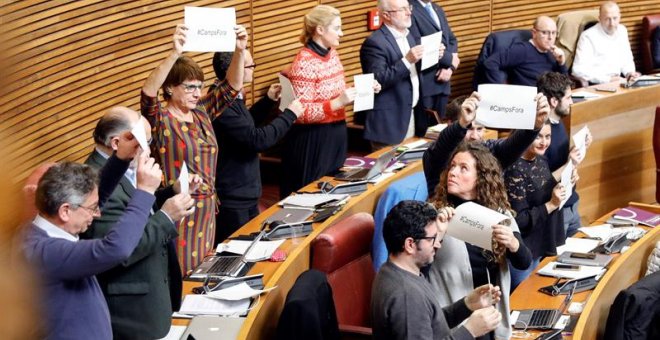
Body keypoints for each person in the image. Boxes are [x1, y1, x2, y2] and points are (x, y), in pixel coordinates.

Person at [22, 136, 161, 340]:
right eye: (93, 209)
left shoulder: (44, 228)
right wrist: (145, 192)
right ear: (65, 211)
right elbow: (115, 249)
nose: (98, 214)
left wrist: (121, 157)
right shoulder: (44, 252)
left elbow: (97, 195)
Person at [81, 107, 197, 339]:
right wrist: (165, 217)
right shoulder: (95, 182)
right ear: (116, 143)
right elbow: (117, 251)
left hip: (151, 294)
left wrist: (169, 193)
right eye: (145, 141)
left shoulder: (125, 168)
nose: (149, 148)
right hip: (131, 311)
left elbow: (136, 211)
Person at [141, 24, 247, 273]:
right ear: (170, 88)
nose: (197, 92)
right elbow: (147, 94)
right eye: (190, 86)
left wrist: (239, 50)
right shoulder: (161, 118)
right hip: (178, 208)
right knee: (177, 272)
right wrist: (174, 53)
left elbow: (231, 87)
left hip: (207, 209)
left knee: (201, 271)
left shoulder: (201, 112)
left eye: (199, 86)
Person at [428, 142, 532, 340]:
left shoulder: (498, 213)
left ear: (481, 178)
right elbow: (418, 267)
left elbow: (524, 262)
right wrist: (438, 235)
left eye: (463, 168)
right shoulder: (435, 215)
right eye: (452, 166)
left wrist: (512, 243)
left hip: (492, 321)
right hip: (455, 323)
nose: (453, 172)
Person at [372, 200, 502, 340]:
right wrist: (470, 331)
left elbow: (430, 323)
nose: (438, 244)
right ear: (410, 244)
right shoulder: (407, 295)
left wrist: (467, 305)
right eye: (432, 239)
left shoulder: (393, 271)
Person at [211, 50, 304, 243]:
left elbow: (244, 128)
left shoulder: (232, 97)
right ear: (233, 70)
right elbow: (257, 140)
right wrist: (289, 114)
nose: (253, 69)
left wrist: (267, 100)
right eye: (249, 66)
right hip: (234, 198)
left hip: (245, 191)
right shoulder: (222, 103)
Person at [279, 5, 368, 198]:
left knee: (333, 192)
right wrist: (336, 103)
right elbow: (300, 112)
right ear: (320, 30)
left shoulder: (332, 53)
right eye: (337, 28)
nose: (341, 33)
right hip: (312, 138)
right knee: (313, 194)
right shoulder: (304, 62)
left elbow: (334, 92)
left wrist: (360, 92)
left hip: (336, 131)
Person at [423, 91, 550, 197]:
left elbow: (512, 147)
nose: (475, 136)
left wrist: (535, 125)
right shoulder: (436, 154)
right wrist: (462, 124)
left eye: (479, 129)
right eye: (469, 129)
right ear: (452, 124)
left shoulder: (486, 150)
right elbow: (445, 144)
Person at [360, 0, 432, 150]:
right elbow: (378, 79)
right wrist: (407, 61)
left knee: (409, 170)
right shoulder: (374, 43)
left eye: (409, 7)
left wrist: (432, 55)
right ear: (386, 15)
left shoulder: (409, 36)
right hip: (389, 123)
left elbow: (412, 71)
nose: (409, 12)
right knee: (391, 172)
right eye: (402, 9)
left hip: (410, 114)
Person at [504, 121, 567, 290]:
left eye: (548, 137)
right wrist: (552, 204)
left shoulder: (540, 159)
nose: (544, 142)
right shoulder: (515, 169)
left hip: (539, 245)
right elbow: (520, 220)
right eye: (538, 136)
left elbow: (540, 191)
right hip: (524, 252)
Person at [537, 72, 592, 237]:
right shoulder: (541, 135)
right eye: (568, 98)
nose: (571, 102)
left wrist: (579, 151)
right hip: (557, 211)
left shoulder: (558, 122)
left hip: (571, 202)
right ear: (554, 101)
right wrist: (569, 164)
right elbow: (541, 182)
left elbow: (559, 160)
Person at [410, 0, 459, 119]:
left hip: (444, 81)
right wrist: (451, 59)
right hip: (426, 84)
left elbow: (451, 40)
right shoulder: (409, 9)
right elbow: (417, 46)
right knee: (425, 131)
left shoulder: (437, 8)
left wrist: (449, 68)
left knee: (439, 130)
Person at [483, 16, 568, 86]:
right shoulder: (522, 50)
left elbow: (564, 86)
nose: (550, 37)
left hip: (550, 100)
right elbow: (490, 63)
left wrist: (561, 63)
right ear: (534, 33)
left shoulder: (553, 53)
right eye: (545, 33)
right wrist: (502, 91)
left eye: (553, 33)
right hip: (530, 101)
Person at [572, 1, 640, 84]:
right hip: (598, 84)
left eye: (615, 18)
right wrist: (607, 79)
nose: (612, 23)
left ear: (620, 17)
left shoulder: (622, 30)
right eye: (607, 19)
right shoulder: (588, 36)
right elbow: (578, 70)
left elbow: (626, 59)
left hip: (620, 81)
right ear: (599, 18)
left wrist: (629, 73)